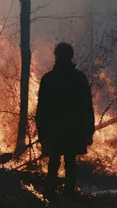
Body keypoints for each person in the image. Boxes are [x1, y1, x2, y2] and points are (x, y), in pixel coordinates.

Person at [35, 42, 95, 200]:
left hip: (54, 131)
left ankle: (50, 195)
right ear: (71, 56)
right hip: (73, 130)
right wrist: (89, 131)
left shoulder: (48, 79)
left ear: (56, 56)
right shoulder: (79, 78)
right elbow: (87, 107)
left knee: (54, 161)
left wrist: (42, 134)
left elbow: (42, 110)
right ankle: (68, 194)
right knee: (70, 162)